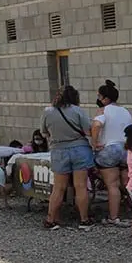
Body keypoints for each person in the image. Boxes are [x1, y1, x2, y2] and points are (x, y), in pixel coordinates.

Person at [40, 85, 95, 230]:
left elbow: (44, 132)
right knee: (81, 186)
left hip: (58, 150)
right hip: (80, 150)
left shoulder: (48, 111)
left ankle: (51, 219)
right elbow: (88, 130)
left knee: (58, 188)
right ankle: (84, 219)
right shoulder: (78, 111)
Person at [91, 80, 132, 227]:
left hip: (109, 150)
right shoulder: (125, 111)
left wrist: (94, 143)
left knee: (112, 185)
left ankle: (114, 217)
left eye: (99, 96)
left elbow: (96, 126)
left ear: (105, 99)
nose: (98, 99)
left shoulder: (103, 111)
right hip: (126, 150)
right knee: (128, 184)